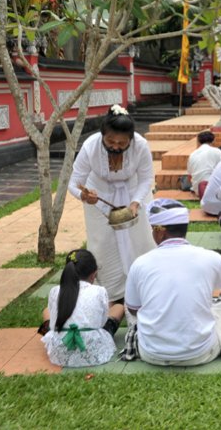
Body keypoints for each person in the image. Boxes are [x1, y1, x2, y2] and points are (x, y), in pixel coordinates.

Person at [124, 199, 221, 367]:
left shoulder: (140, 263)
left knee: (129, 300)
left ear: (160, 232)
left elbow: (133, 309)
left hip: (151, 353)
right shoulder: (210, 257)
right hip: (200, 353)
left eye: (153, 230)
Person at [68, 104, 156, 302]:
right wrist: (84, 196)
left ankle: (143, 285)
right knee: (103, 243)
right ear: (102, 136)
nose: (115, 146)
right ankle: (111, 293)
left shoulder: (140, 145)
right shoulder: (91, 146)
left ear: (131, 140)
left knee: (141, 239)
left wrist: (135, 203)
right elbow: (73, 183)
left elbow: (145, 178)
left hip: (134, 193)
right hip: (99, 198)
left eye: (122, 143)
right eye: (110, 141)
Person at [41, 249, 124, 367]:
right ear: (94, 274)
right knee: (119, 307)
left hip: (60, 351)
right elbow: (102, 322)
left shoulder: (55, 291)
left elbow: (54, 322)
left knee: (46, 311)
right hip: (94, 349)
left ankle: (51, 337)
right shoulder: (99, 291)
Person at [186, 130, 221, 199]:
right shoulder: (217, 151)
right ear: (213, 141)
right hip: (213, 189)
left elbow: (189, 177)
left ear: (198, 141)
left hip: (198, 190)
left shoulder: (192, 154)